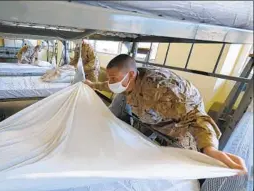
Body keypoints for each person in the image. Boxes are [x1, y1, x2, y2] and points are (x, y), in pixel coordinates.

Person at [84, 54, 247, 173]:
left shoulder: (163, 90)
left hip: (180, 124)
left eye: (113, 78)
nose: (111, 82)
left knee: (182, 163)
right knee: (137, 145)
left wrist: (210, 148)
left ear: (131, 74)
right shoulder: (127, 82)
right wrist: (94, 85)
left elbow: (196, 118)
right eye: (110, 78)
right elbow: (111, 84)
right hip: (152, 116)